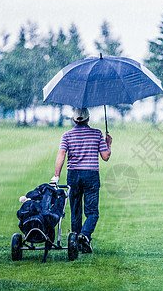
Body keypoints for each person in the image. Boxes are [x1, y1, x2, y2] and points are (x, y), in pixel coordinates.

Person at [50, 108, 112, 253]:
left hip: (73, 175)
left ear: (73, 120)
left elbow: (61, 154)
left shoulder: (67, 136)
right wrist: (108, 143)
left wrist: (56, 175)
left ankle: (76, 241)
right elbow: (105, 157)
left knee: (75, 210)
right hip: (91, 175)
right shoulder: (97, 134)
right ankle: (85, 235)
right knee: (92, 212)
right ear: (88, 119)